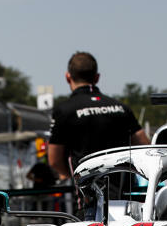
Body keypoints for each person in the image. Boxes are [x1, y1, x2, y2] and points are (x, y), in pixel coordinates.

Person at [48, 51, 149, 183]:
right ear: (97, 78)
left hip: (90, 194)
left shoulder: (64, 111)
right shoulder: (122, 108)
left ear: (68, 77)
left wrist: (76, 178)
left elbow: (54, 160)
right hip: (124, 193)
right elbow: (145, 147)